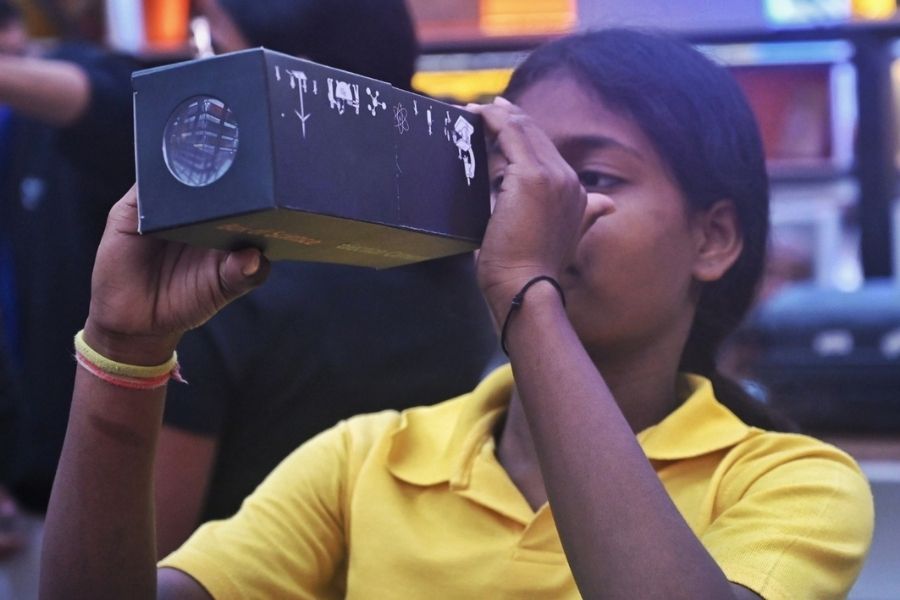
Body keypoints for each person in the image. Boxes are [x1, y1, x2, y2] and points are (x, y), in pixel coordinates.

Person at [41, 29, 873, 599]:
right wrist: (125, 348)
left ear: (714, 238)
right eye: (515, 174)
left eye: (595, 178)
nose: (534, 204)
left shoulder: (789, 482)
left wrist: (526, 290)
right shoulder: (369, 459)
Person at [153, 0, 496, 556]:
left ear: (289, 76)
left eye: (212, 46)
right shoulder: (458, 243)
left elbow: (140, 557)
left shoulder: (221, 285)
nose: (199, 69)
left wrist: (119, 353)